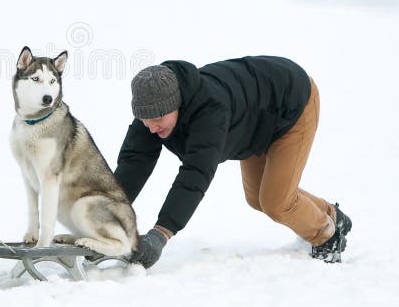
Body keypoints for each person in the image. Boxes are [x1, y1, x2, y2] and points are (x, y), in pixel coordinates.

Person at [114, 56, 352, 268]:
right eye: (145, 120)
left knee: (276, 202)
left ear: (176, 104)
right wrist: (106, 211)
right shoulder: (151, 110)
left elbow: (195, 174)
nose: (151, 127)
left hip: (291, 103)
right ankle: (331, 213)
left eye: (157, 119)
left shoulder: (210, 112)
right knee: (258, 197)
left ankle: (328, 235)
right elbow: (134, 161)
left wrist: (160, 234)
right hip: (255, 120)